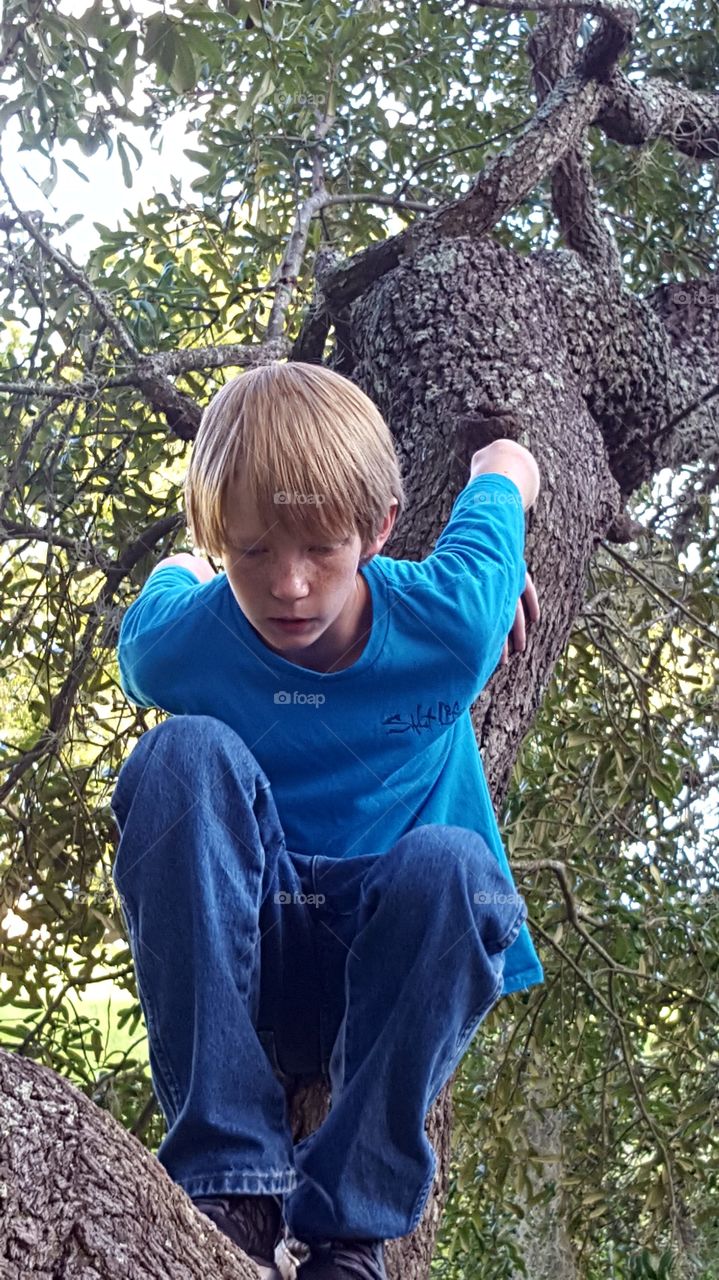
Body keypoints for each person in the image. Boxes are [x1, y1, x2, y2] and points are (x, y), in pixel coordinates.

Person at [110, 361, 545, 1280]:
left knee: (458, 866)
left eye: (321, 548)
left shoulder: (452, 619)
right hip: (246, 951)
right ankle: (230, 1177)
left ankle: (349, 1233)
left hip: (389, 970)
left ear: (380, 531)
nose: (291, 587)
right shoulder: (179, 643)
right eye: (252, 552)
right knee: (177, 755)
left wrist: (504, 489)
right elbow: (156, 608)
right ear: (218, 539)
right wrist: (186, 564)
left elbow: (505, 464)